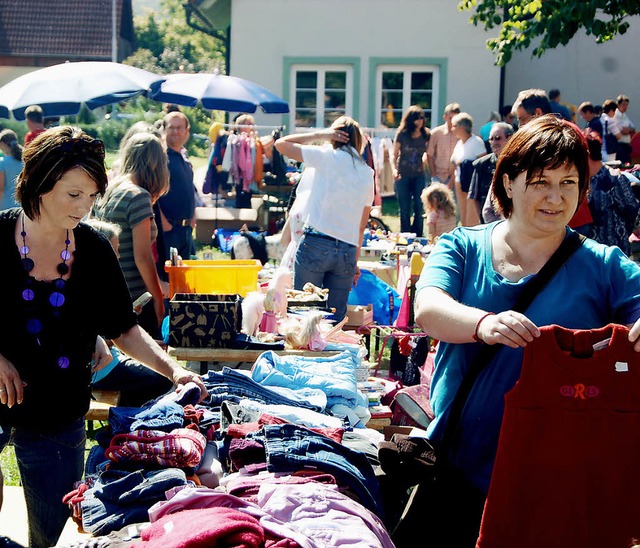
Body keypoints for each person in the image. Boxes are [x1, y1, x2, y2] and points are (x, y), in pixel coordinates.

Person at [413, 114, 640, 546]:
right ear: (509, 182)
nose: (556, 198)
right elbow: (429, 309)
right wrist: (484, 324)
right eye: (541, 182)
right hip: (459, 471)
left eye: (568, 183)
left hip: (557, 484)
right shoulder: (463, 245)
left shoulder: (606, 266)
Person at [0, 126, 208, 548]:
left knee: (52, 533)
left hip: (58, 408)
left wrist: (173, 371)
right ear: (39, 184)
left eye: (92, 195)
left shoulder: (93, 248)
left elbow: (123, 327)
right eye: (73, 194)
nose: (85, 207)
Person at [274, 116, 374, 322]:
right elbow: (361, 225)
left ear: (334, 137)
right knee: (334, 319)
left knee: (303, 314)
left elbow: (281, 144)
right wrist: (354, 261)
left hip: (316, 243)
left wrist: (320, 134)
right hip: (346, 249)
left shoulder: (326, 157)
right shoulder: (367, 173)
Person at [83, 218, 174, 406]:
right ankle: (126, 421)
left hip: (108, 363)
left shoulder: (96, 280)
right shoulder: (91, 285)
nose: (117, 256)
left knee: (160, 375)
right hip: (101, 369)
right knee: (163, 379)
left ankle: (125, 420)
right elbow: (97, 339)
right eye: (114, 249)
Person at [92, 132, 170, 338]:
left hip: (110, 291)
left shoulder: (109, 189)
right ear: (156, 164)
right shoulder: (138, 196)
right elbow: (143, 257)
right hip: (137, 298)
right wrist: (158, 300)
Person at [582, 130, 640, 255]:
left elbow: (632, 210)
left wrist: (623, 232)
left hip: (614, 250)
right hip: (589, 253)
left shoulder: (614, 178)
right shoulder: (579, 181)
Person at [158, 111, 196, 261]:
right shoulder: (161, 157)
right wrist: (163, 222)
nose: (175, 131)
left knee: (183, 277)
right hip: (168, 230)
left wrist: (193, 215)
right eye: (171, 127)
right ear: (164, 129)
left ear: (187, 131)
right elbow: (152, 193)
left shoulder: (184, 156)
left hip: (185, 229)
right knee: (169, 277)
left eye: (179, 127)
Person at [392, 105, 431, 236]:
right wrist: (394, 169)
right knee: (404, 208)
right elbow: (394, 154)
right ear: (410, 120)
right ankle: (405, 234)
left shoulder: (426, 134)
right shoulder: (402, 134)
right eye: (416, 118)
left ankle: (418, 235)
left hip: (419, 175)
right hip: (403, 174)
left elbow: (429, 152)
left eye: (421, 118)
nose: (419, 121)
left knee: (419, 207)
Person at [469, 122, 514, 222]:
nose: (493, 142)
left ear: (510, 138)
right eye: (491, 139)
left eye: (498, 138)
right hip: (488, 222)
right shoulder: (481, 165)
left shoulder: (519, 163)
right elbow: (475, 196)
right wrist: (482, 220)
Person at [449, 112, 486, 227]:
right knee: (463, 216)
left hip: (472, 185)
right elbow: (454, 162)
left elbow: (483, 163)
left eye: (454, 125)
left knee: (472, 217)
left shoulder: (476, 142)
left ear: (463, 127)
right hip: (460, 182)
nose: (452, 128)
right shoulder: (459, 143)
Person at [427, 103, 460, 185]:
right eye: (450, 118)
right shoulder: (436, 133)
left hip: (455, 177)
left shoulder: (460, 134)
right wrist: (433, 175)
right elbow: (429, 154)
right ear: (445, 117)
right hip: (438, 176)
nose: (453, 122)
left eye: (455, 119)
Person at [0, 129, 23, 210]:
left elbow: (0, 188)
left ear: (3, 144)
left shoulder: (2, 163)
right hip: (22, 206)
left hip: (5, 207)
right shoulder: (24, 161)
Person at [614, 94, 636, 164]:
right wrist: (628, 130)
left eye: (626, 105)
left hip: (626, 145)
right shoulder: (615, 115)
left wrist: (628, 130)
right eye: (623, 105)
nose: (625, 107)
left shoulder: (625, 116)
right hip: (619, 145)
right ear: (618, 104)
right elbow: (623, 131)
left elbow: (633, 128)